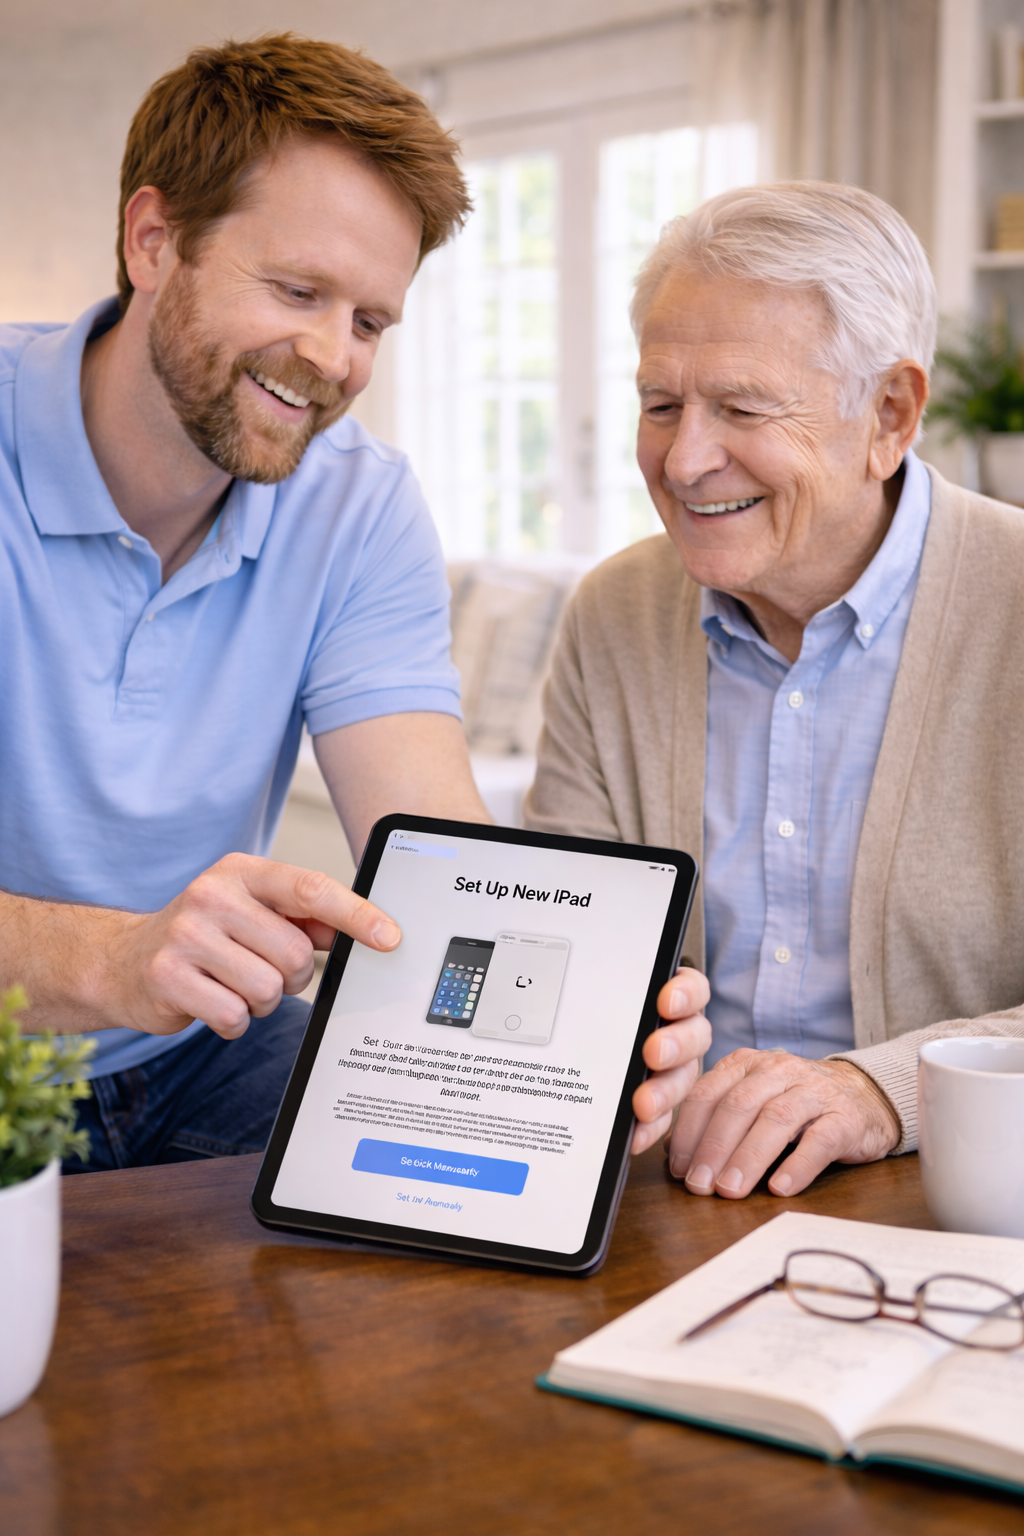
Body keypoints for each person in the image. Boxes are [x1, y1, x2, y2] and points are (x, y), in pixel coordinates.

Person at [0, 35, 490, 1169]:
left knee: (453, 1244)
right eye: (296, 290)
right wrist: (118, 961)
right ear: (154, 240)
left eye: (370, 321)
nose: (330, 356)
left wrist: (583, 1031)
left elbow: (434, 855)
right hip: (19, 1036)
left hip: (203, 1049)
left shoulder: (359, 509)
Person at [526, 181, 1024, 1201]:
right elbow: (558, 935)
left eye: (741, 408)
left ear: (889, 414)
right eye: (659, 404)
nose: (683, 458)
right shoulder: (612, 614)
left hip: (955, 1195)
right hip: (670, 1190)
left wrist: (875, 1092)